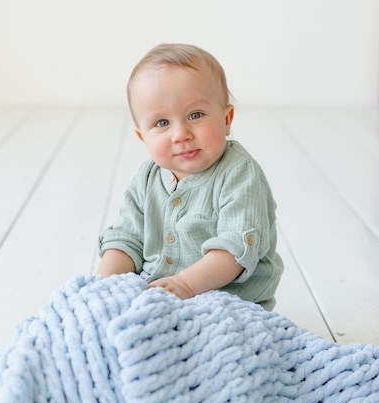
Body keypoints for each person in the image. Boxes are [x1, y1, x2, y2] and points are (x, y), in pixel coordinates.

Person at [97, 43, 283, 309]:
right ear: (143, 136)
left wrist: (185, 284)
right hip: (159, 292)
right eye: (162, 123)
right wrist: (103, 286)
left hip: (229, 301)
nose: (181, 133)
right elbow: (128, 239)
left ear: (226, 119)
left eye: (195, 115)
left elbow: (235, 248)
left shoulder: (239, 174)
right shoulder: (147, 178)